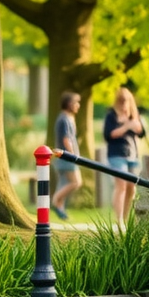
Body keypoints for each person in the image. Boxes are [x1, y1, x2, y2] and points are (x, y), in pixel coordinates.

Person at [104, 86, 147, 225]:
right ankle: (119, 220)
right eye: (121, 100)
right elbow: (109, 135)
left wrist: (136, 124)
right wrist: (126, 126)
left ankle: (125, 216)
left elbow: (141, 133)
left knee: (131, 187)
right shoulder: (111, 116)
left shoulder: (133, 115)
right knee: (121, 185)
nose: (124, 103)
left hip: (132, 154)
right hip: (116, 154)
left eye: (126, 100)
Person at [50, 91, 83, 221]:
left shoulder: (66, 118)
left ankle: (60, 208)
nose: (78, 105)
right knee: (76, 182)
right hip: (66, 157)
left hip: (63, 158)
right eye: (76, 103)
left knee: (64, 183)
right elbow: (66, 139)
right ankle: (56, 200)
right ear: (69, 104)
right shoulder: (64, 119)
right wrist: (73, 155)